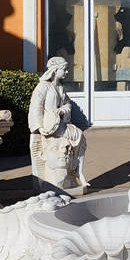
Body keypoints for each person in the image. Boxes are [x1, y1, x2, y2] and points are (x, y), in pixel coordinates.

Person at [28, 56, 87, 193]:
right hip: (49, 128)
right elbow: (36, 107)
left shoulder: (60, 87)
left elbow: (67, 103)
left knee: (81, 138)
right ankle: (74, 172)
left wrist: (63, 110)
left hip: (61, 125)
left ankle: (77, 171)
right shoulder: (42, 87)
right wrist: (39, 128)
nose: (66, 72)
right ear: (55, 70)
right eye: (64, 69)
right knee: (79, 138)